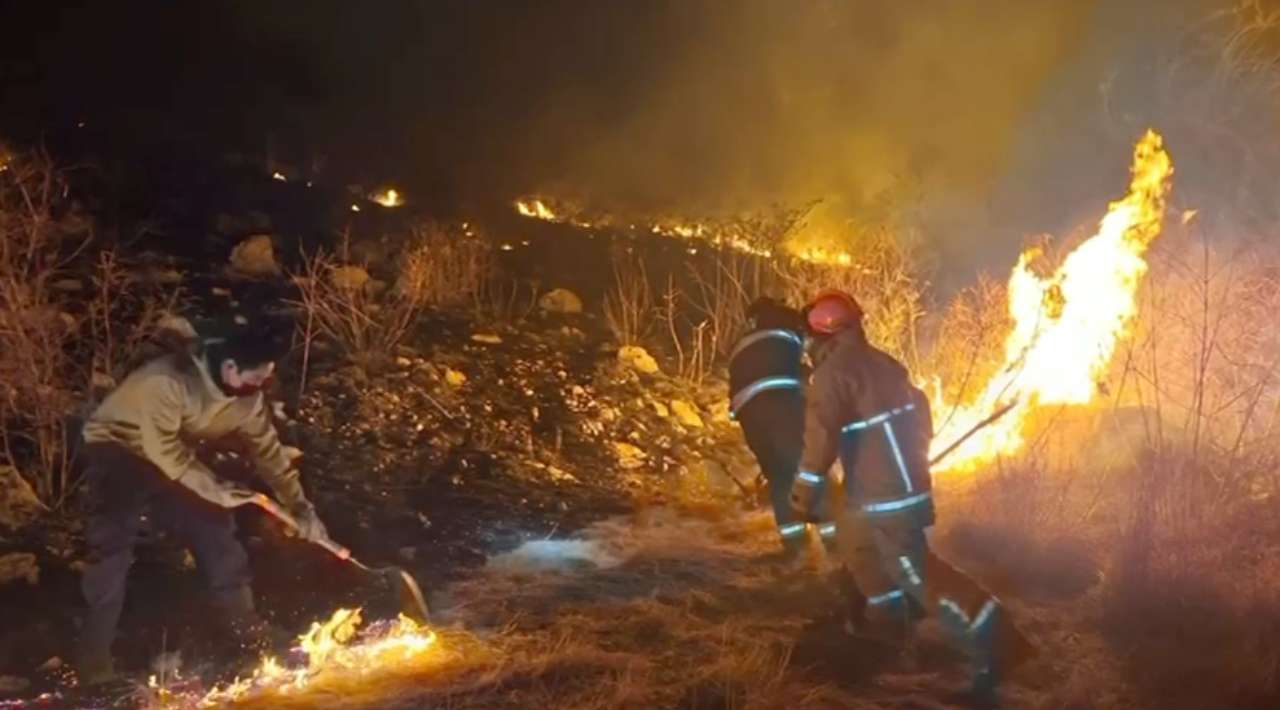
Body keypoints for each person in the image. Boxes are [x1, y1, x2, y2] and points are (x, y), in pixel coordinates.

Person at [791, 289, 1033, 705]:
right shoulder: (884, 364)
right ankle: (889, 639)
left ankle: (1003, 648)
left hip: (887, 496)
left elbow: (821, 438)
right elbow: (920, 413)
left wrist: (802, 490)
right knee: (861, 553)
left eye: (808, 338)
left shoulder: (834, 375)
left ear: (820, 335)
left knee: (919, 576)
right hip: (879, 492)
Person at [73, 322, 330, 685]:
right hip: (118, 447)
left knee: (214, 524)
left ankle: (247, 631)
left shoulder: (248, 397)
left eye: (265, 379)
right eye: (255, 379)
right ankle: (93, 659)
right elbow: (165, 452)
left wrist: (301, 508)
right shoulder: (167, 382)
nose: (259, 388)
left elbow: (269, 452)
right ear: (229, 368)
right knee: (112, 544)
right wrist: (216, 488)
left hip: (174, 453)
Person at [728, 297, 839, 559]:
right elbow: (818, 366)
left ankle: (796, 551)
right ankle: (837, 549)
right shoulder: (789, 329)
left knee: (779, 477)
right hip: (781, 404)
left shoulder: (743, 343)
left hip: (749, 415)